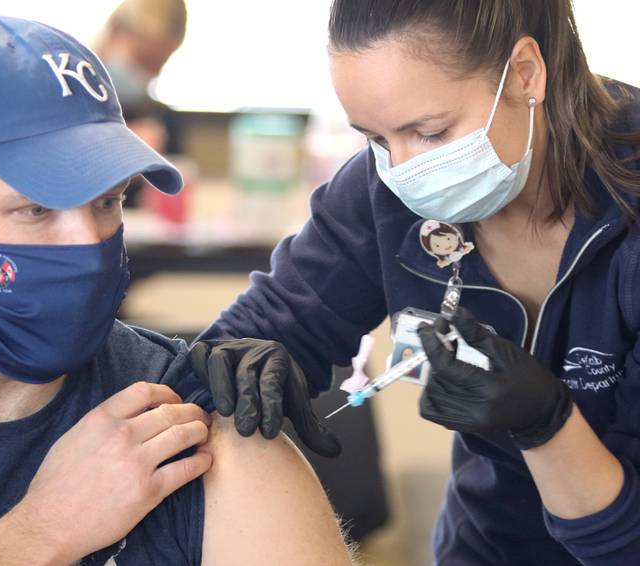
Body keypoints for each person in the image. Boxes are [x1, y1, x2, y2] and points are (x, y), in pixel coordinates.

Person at [0, 12, 353, 566]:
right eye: (36, 208)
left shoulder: (192, 428)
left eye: (108, 201)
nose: (87, 244)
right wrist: (43, 532)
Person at [192, 0, 640, 563]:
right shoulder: (383, 193)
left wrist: (547, 425)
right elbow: (262, 327)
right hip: (484, 545)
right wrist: (238, 362)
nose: (402, 172)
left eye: (429, 132)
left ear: (526, 72)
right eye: (376, 139)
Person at [91, 0, 186, 154]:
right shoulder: (71, 100)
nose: (149, 73)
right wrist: (115, 142)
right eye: (145, 60)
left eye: (159, 65)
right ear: (116, 32)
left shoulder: (162, 119)